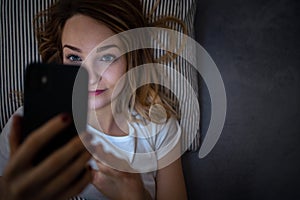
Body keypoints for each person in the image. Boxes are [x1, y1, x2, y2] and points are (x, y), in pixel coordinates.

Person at [0, 0, 187, 199]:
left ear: (131, 57)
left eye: (106, 57)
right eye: (74, 58)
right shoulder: (26, 124)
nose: (89, 76)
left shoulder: (159, 128)